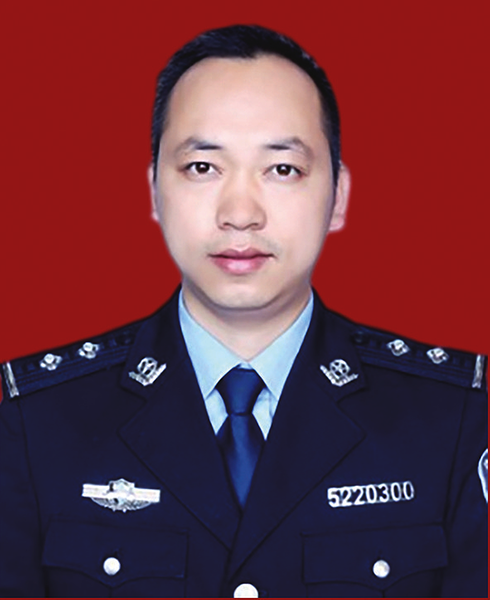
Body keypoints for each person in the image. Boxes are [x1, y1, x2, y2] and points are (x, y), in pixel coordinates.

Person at [0, 24, 487, 598]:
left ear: (338, 196)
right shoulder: (38, 423)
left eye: (282, 169)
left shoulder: (451, 419)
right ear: (154, 190)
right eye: (202, 167)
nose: (239, 213)